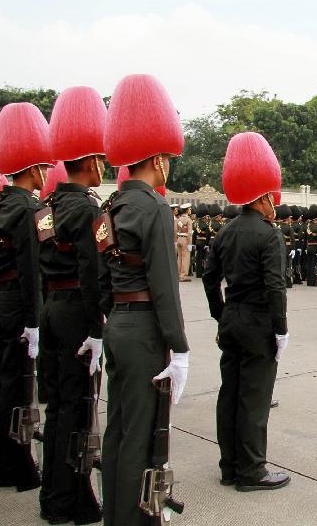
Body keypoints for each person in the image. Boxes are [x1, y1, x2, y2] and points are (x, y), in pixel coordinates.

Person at [97, 74, 190, 525]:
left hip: (116, 322)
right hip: (144, 330)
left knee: (118, 429)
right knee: (140, 434)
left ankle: (115, 513)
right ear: (156, 158)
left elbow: (99, 277)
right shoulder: (154, 208)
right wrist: (180, 346)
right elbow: (164, 284)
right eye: (167, 158)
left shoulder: (111, 206)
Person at [35, 87, 108, 524]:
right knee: (79, 407)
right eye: (99, 158)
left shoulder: (46, 208)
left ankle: (54, 496)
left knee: (58, 406)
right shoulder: (85, 208)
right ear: (90, 161)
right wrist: (98, 329)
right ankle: (72, 500)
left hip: (52, 309)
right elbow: (92, 273)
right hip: (78, 313)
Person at [202, 131, 290, 492]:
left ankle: (229, 466)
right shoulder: (269, 234)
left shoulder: (225, 232)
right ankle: (252, 471)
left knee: (230, 394)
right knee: (254, 398)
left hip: (232, 318)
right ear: (265, 195)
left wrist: (220, 313)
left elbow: (210, 279)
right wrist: (280, 328)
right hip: (257, 322)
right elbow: (275, 285)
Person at [0, 103, 52, 492]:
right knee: (19, 388)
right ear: (34, 168)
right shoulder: (30, 208)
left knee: (3, 382)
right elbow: (31, 268)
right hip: (21, 302)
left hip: (0, 298)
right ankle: (18, 466)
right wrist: (34, 319)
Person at [176, 203, 193, 281]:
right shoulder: (188, 220)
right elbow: (189, 233)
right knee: (186, 258)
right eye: (190, 209)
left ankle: (178, 274)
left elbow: (176, 230)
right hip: (186, 239)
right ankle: (183, 276)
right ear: (187, 210)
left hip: (179, 238)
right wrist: (190, 243)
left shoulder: (178, 219)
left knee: (179, 258)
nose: (190, 210)